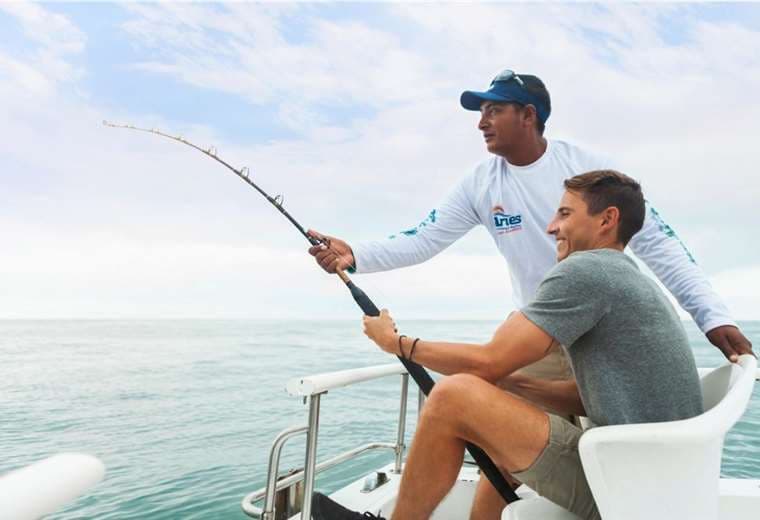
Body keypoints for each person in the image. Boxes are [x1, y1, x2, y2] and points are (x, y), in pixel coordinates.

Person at [308, 69, 753, 517]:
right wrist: (356, 255)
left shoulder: (587, 181)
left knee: (455, 396)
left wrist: (712, 315)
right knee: (495, 436)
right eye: (481, 111)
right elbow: (424, 238)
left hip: (599, 393)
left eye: (494, 110)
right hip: (539, 334)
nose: (482, 121)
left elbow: (659, 242)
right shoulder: (484, 183)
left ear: (528, 115)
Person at [311, 170, 704, 520]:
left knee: (451, 396)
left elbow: (488, 362)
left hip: (625, 489)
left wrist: (397, 343)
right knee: (494, 438)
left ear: (607, 219)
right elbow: (597, 396)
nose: (551, 227)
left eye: (565, 214)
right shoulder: (626, 276)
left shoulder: (587, 270)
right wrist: (516, 384)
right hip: (657, 481)